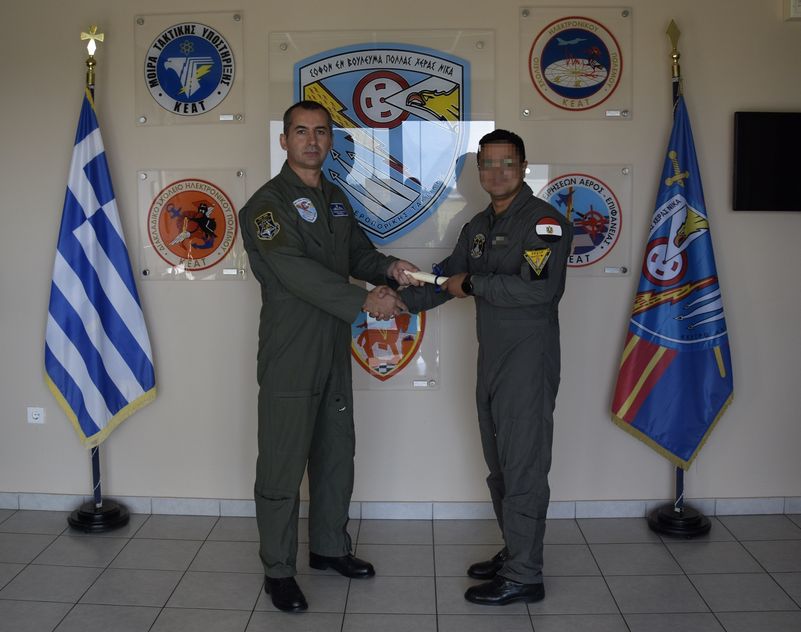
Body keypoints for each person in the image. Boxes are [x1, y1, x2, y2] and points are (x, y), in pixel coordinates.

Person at [239, 100, 420, 612]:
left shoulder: (336, 199)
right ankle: (278, 569)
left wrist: (389, 269)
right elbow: (295, 270)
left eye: (320, 132)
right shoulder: (266, 206)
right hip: (291, 347)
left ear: (330, 140)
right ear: (284, 140)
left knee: (335, 451)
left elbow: (355, 254)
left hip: (334, 342)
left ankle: (328, 548)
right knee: (282, 462)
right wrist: (363, 299)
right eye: (301, 131)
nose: (312, 140)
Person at [401, 129, 573, 605]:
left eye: (507, 163)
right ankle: (516, 550)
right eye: (488, 164)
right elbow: (447, 278)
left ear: (523, 166)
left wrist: (474, 285)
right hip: (492, 360)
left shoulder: (544, 224)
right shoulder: (477, 225)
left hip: (528, 362)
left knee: (523, 468)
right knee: (500, 465)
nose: (497, 173)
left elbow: (537, 289)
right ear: (478, 170)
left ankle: (525, 575)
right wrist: (397, 298)